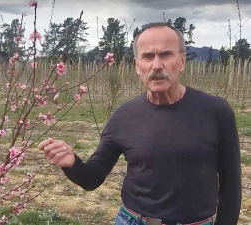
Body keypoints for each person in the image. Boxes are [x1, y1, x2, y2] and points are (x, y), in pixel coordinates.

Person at [38, 22, 241, 225]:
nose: (157, 65)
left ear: (182, 61)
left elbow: (231, 186)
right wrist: (72, 162)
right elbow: (92, 178)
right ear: (137, 65)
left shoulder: (215, 112)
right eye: (148, 56)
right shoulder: (124, 116)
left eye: (166, 54)